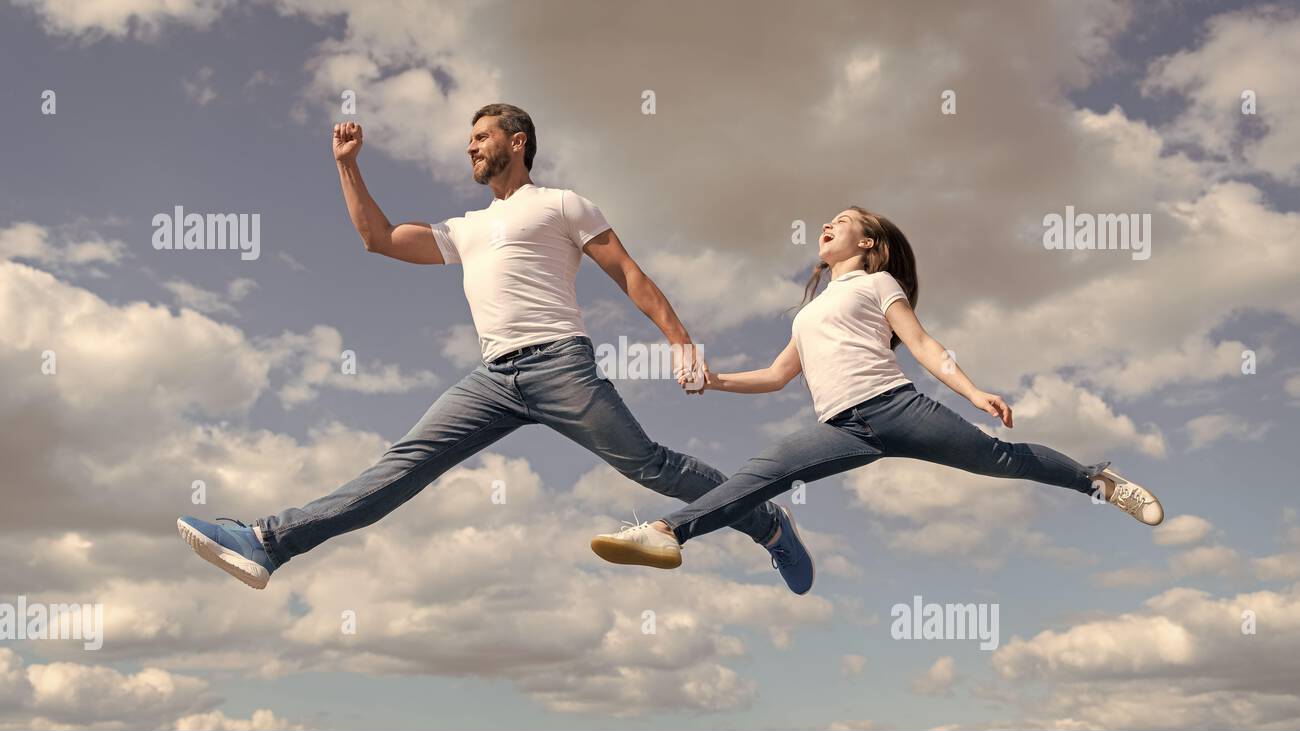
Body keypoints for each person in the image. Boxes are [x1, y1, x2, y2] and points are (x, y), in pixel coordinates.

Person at [176, 103, 811, 592]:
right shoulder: (466, 227)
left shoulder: (562, 204)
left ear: (517, 141)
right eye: (469, 140)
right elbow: (379, 238)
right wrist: (347, 165)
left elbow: (630, 275)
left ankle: (768, 523)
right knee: (397, 471)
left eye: (481, 137)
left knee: (648, 465)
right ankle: (269, 542)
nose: (471, 147)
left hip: (560, 364)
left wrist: (680, 343)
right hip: (492, 380)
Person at [590, 207, 1164, 592]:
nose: (826, 227)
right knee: (759, 475)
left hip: (897, 407)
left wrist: (973, 390)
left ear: (867, 243)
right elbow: (775, 376)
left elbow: (921, 344)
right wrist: (712, 380)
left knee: (1002, 460)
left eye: (838, 223)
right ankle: (667, 533)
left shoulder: (876, 284)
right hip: (841, 428)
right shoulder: (807, 312)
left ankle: (1101, 481)